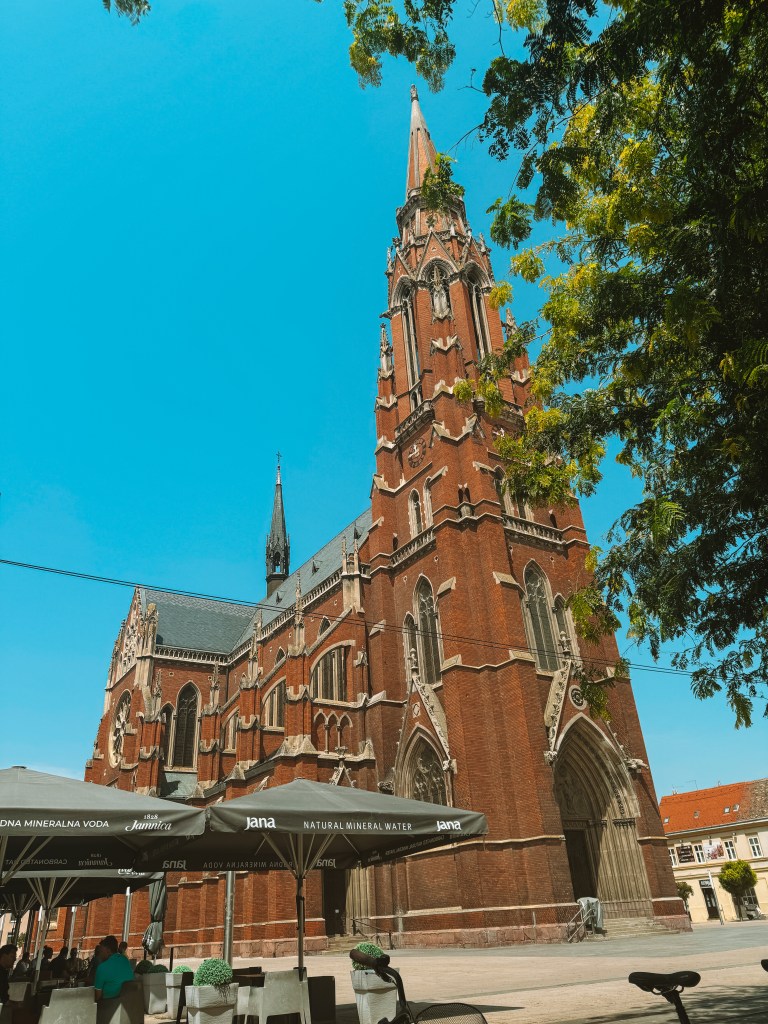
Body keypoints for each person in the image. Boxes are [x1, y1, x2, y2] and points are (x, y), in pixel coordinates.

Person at [93, 936, 134, 1001]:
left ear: (108, 950)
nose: (99, 953)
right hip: (128, 1003)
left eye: (101, 950)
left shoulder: (102, 967)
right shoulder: (125, 960)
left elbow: (97, 997)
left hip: (109, 1006)